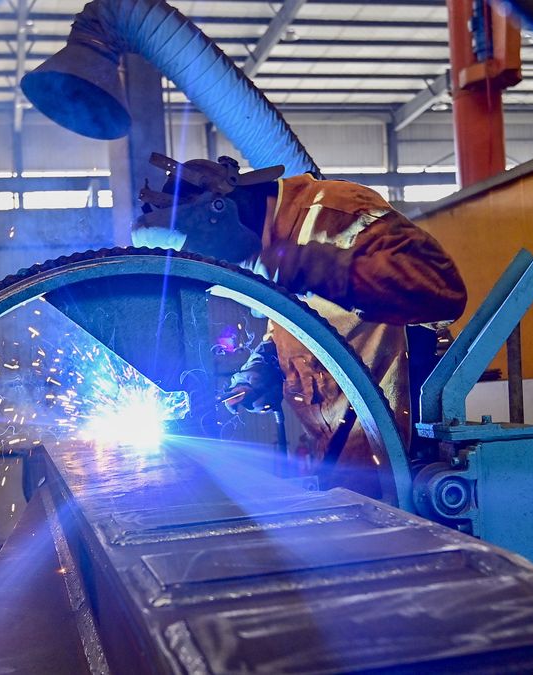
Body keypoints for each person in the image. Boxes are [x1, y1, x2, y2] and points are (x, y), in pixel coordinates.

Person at [132, 153, 466, 498]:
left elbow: (443, 290)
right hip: (343, 460)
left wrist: (285, 265)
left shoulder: (341, 212)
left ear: (222, 213)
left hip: (404, 461)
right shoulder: (261, 241)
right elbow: (298, 325)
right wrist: (262, 369)